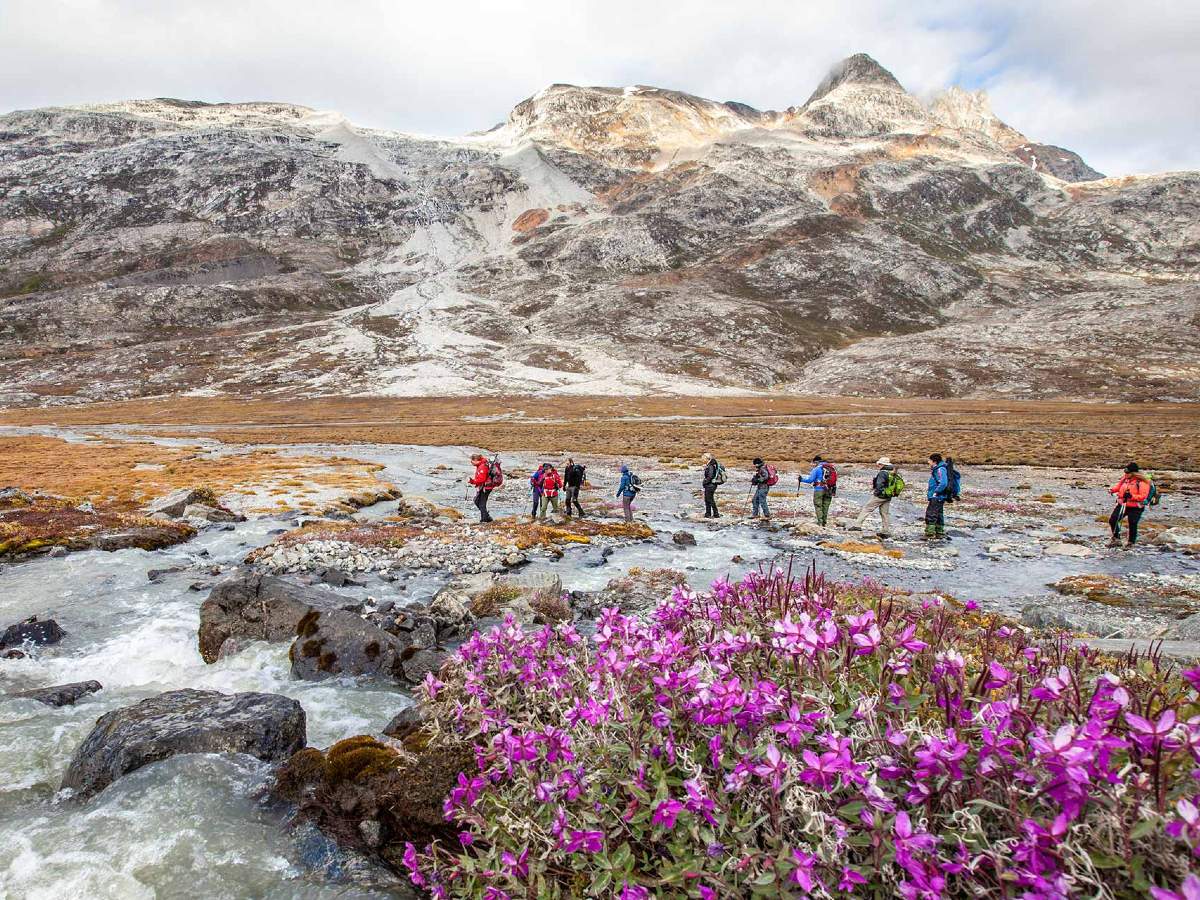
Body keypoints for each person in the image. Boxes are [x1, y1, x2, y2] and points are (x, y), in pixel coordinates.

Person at [1108, 462, 1152, 547]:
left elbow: (1143, 496)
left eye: (1127, 472)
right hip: (1123, 504)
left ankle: (1131, 542)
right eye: (1125, 472)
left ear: (1133, 473)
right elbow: (1118, 487)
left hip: (1136, 507)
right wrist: (1112, 490)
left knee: (1132, 523)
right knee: (1113, 520)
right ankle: (1116, 539)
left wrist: (1131, 496)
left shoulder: (1142, 482)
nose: (1125, 474)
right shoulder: (1125, 479)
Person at [853, 456, 896, 537]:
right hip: (888, 495)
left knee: (867, 508)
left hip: (880, 496)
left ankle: (857, 525)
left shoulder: (883, 472)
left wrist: (876, 493)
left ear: (882, 464)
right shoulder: (892, 471)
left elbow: (879, 484)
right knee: (885, 513)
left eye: (879, 464)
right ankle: (885, 531)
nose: (878, 465)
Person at [798, 455, 837, 527]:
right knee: (826, 506)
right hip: (829, 489)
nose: (813, 465)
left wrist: (801, 479)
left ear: (816, 462)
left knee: (818, 505)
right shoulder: (831, 467)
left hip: (819, 489)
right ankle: (824, 522)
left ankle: (820, 522)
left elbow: (810, 480)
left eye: (813, 463)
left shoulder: (817, 469)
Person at [925, 453, 951, 540]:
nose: (928, 462)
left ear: (934, 461)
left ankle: (930, 533)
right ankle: (939, 532)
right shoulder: (940, 468)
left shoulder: (940, 469)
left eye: (929, 460)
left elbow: (943, 483)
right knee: (939, 514)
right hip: (940, 496)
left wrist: (936, 492)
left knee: (931, 513)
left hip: (937, 496)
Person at [467, 453, 495, 523]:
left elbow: (482, 479)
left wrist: (472, 481)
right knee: (477, 501)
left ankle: (484, 520)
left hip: (486, 487)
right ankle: (486, 517)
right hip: (485, 486)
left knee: (481, 503)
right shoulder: (482, 464)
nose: (471, 462)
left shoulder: (482, 466)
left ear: (476, 460)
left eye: (472, 461)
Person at [701, 452, 721, 518]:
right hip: (710, 485)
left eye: (703, 458)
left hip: (710, 485)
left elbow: (710, 476)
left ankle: (715, 514)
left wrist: (704, 482)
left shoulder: (711, 466)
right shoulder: (711, 465)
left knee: (710, 499)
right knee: (708, 499)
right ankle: (708, 513)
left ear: (707, 458)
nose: (702, 460)